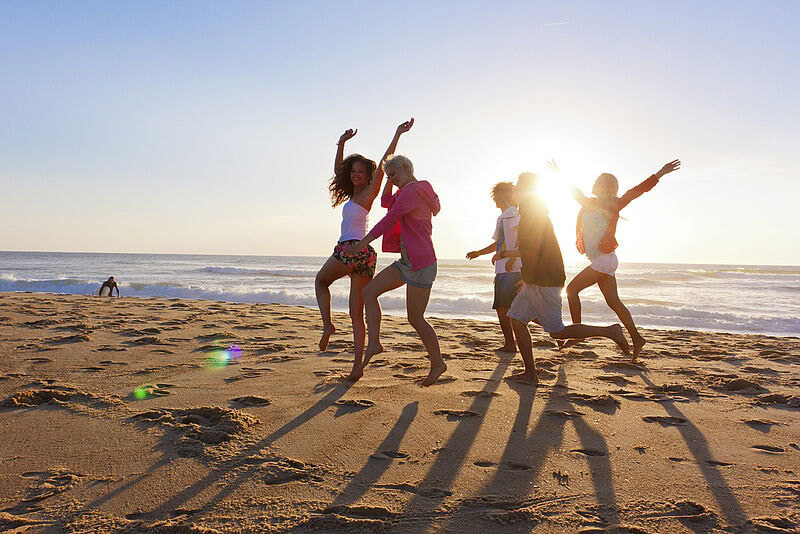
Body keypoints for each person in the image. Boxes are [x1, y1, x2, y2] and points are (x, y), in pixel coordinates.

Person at [497, 172, 631, 384]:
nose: (514, 190)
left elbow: (533, 249)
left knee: (557, 332)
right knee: (516, 319)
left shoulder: (533, 212)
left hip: (546, 279)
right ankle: (530, 373)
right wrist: (526, 277)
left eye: (518, 186)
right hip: (536, 279)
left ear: (526, 190)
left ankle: (610, 331)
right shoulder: (530, 210)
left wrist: (506, 254)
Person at [315, 119, 414, 381]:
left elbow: (383, 164)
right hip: (366, 255)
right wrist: (342, 145)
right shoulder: (354, 196)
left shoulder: (369, 193)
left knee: (321, 281)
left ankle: (327, 326)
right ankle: (357, 367)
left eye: (360, 171)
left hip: (350, 249)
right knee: (356, 314)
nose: (355, 174)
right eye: (353, 171)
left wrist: (396, 134)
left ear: (368, 176)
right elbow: (339, 170)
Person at [564, 159, 681, 361]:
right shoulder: (588, 203)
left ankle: (577, 333)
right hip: (605, 260)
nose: (595, 185)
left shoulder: (614, 205)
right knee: (614, 302)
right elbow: (574, 191)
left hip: (604, 259)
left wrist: (660, 173)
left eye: (600, 182)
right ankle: (637, 338)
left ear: (607, 187)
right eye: (596, 182)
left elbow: (637, 191)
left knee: (571, 290)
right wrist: (560, 174)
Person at [344, 154, 445, 386]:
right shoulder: (407, 192)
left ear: (408, 168)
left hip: (421, 263)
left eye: (395, 174)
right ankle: (375, 343)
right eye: (389, 176)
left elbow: (388, 220)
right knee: (368, 292)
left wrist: (361, 244)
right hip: (407, 262)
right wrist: (390, 175)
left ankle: (438, 363)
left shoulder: (411, 192)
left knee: (416, 318)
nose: (393, 179)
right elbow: (385, 200)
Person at [466, 181, 522, 353]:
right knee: (513, 307)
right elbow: (499, 243)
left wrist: (513, 257)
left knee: (504, 308)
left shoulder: (511, 215)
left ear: (503, 195)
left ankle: (510, 344)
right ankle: (557, 332)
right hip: (506, 267)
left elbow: (523, 237)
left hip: (509, 268)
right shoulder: (506, 215)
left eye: (495, 195)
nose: (494, 199)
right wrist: (479, 253)